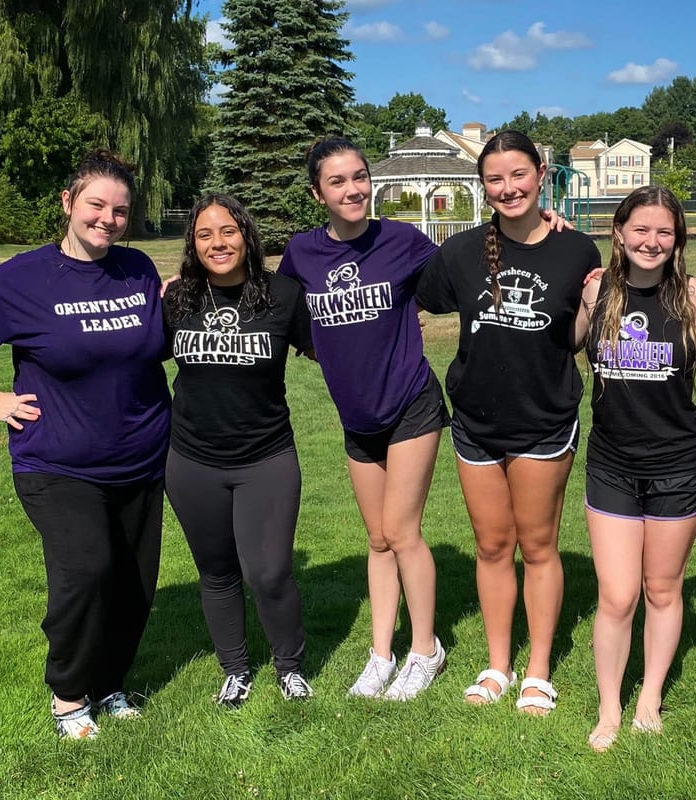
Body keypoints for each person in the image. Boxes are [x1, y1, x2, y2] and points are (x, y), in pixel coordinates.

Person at [0, 149, 171, 739]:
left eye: (119, 210)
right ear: (67, 203)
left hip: (142, 455)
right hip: (57, 461)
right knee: (86, 570)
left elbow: (158, 345)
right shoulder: (24, 278)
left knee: (135, 583)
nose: (107, 219)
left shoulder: (137, 269)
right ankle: (69, 694)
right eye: (95, 205)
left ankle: (111, 682)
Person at [416, 130, 601, 715]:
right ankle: (498, 664)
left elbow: (578, 333)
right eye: (494, 179)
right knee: (493, 546)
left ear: (541, 173)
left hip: (543, 420)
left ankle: (538, 670)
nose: (507, 188)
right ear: (483, 186)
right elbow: (401, 295)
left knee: (539, 545)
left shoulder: (578, 251)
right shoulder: (462, 253)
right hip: (475, 422)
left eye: (518, 175)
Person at [277, 137, 448, 700]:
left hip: (410, 404)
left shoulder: (401, 240)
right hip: (358, 417)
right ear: (317, 193)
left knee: (402, 531)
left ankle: (426, 649)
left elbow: (465, 270)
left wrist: (544, 232)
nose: (352, 189)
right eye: (337, 181)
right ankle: (381, 655)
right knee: (376, 539)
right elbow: (277, 310)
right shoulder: (303, 254)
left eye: (359, 177)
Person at [164, 194, 315, 706]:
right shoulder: (178, 300)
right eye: (204, 235)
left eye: (227, 231)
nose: (217, 243)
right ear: (193, 245)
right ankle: (235, 667)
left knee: (269, 572)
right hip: (191, 460)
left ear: (246, 236)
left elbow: (334, 346)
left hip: (266, 458)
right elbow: (126, 358)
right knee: (218, 570)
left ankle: (289, 665)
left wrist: (397, 330)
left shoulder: (285, 295)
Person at [576, 186, 696, 750]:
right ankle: (610, 709)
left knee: (662, 588)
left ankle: (650, 698)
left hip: (678, 464)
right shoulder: (597, 291)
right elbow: (562, 346)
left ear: (677, 239)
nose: (651, 241)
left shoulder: (694, 295)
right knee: (616, 595)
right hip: (611, 465)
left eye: (664, 232)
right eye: (641, 230)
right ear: (619, 233)